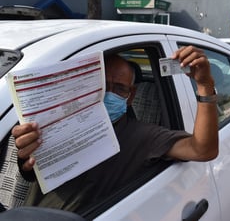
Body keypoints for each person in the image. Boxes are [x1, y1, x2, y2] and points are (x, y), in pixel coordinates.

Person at [11, 45, 218, 213]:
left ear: (131, 96)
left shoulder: (142, 137)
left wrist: (205, 85)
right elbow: (32, 172)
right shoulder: (58, 123)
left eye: (120, 88)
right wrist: (27, 158)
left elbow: (202, 149)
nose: (108, 95)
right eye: (101, 86)